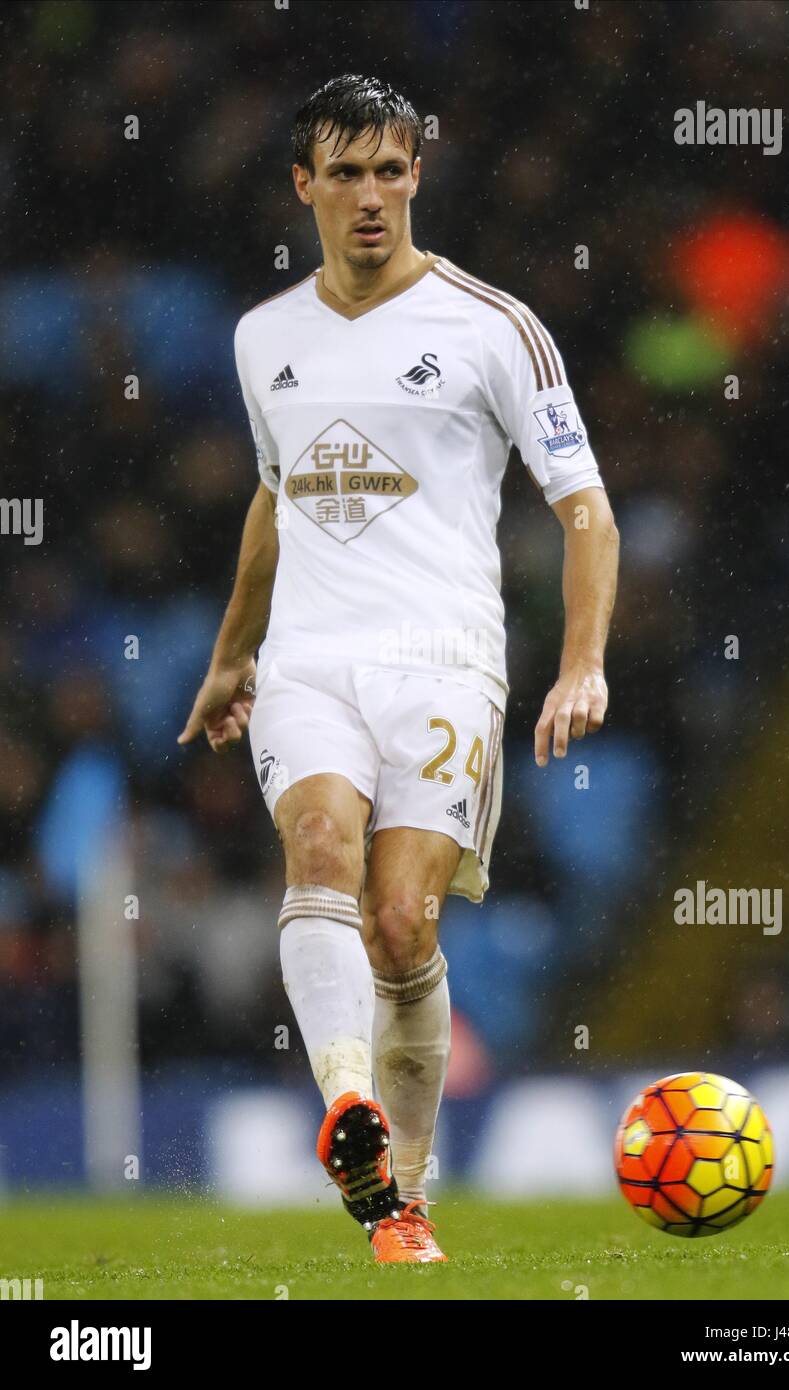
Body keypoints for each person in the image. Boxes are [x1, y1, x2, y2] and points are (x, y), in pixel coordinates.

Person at [179, 73, 619, 1263]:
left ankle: (406, 1190)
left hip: (443, 660)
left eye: (390, 169)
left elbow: (584, 510)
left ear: (416, 175)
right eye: (345, 171)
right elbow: (273, 500)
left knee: (396, 925)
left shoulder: (492, 327)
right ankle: (348, 1112)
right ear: (302, 184)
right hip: (308, 657)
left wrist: (579, 664)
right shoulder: (260, 334)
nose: (370, 195)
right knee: (316, 846)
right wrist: (232, 659)